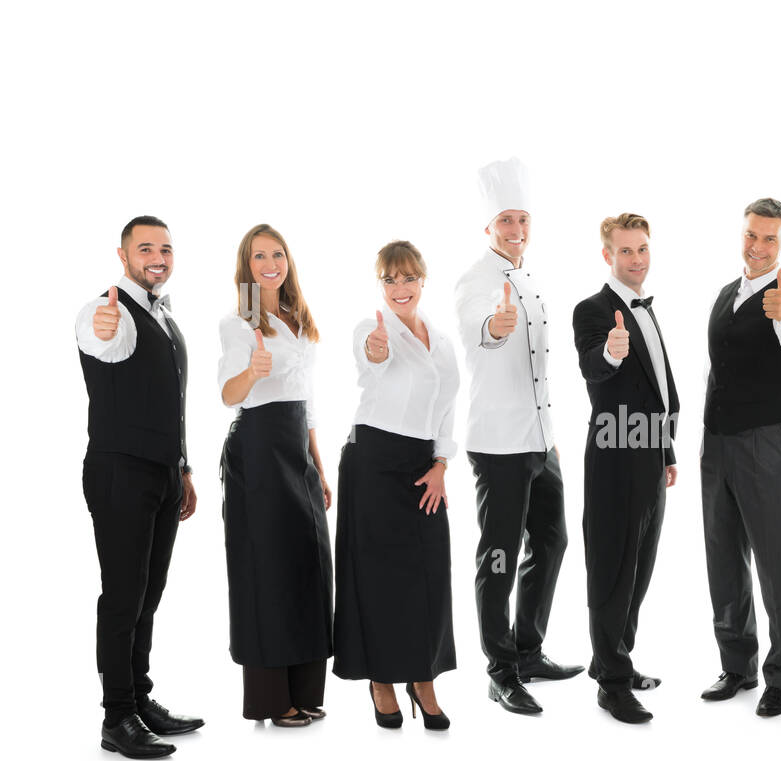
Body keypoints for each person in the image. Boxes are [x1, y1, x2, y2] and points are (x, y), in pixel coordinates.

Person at [454, 157, 581, 717]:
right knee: (499, 557)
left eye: (523, 220)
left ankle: (528, 650)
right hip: (499, 444)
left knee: (551, 542)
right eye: (506, 221)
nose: (516, 230)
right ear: (488, 227)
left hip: (538, 439)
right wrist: (493, 327)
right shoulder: (475, 282)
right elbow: (477, 327)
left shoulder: (528, 277)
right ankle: (499, 670)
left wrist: (550, 437)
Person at [77, 215, 204, 759]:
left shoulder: (165, 317)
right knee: (123, 597)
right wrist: (102, 328)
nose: (158, 256)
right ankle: (117, 716)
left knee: (148, 596)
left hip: (161, 473)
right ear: (123, 256)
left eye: (166, 248)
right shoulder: (106, 311)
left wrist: (183, 467)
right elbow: (101, 339)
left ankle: (140, 698)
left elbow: (167, 400)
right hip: (119, 470)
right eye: (146, 248)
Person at [700, 197, 781, 718]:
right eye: (752, 234)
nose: (758, 245)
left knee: (778, 563)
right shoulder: (727, 293)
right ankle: (738, 665)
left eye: (770, 238)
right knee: (723, 559)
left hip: (767, 444)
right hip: (716, 443)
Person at [333, 241, 457, 731]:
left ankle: (422, 677)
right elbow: (373, 362)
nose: (399, 288)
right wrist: (377, 351)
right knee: (376, 577)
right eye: (390, 279)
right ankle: (381, 679)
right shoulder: (371, 328)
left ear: (423, 279)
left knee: (429, 574)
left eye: (408, 278)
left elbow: (447, 405)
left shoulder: (442, 340)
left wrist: (443, 462)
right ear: (380, 284)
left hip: (424, 464)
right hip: (374, 461)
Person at [218, 224, 333, 727]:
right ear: (246, 264)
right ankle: (270, 698)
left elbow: (306, 402)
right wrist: (252, 372)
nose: (270, 263)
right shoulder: (239, 321)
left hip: (297, 451)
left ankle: (306, 689)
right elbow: (228, 393)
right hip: (259, 450)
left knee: (309, 562)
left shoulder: (298, 317)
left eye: (278, 254)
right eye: (259, 255)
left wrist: (319, 467)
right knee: (267, 573)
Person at [572, 213, 679, 724]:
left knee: (640, 567)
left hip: (650, 456)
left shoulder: (646, 309)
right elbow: (593, 364)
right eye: (625, 252)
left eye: (642, 250)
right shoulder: (593, 310)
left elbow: (660, 384)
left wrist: (668, 452)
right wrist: (611, 355)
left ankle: (614, 658)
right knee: (612, 567)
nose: (636, 260)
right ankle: (612, 686)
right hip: (614, 458)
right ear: (607, 256)